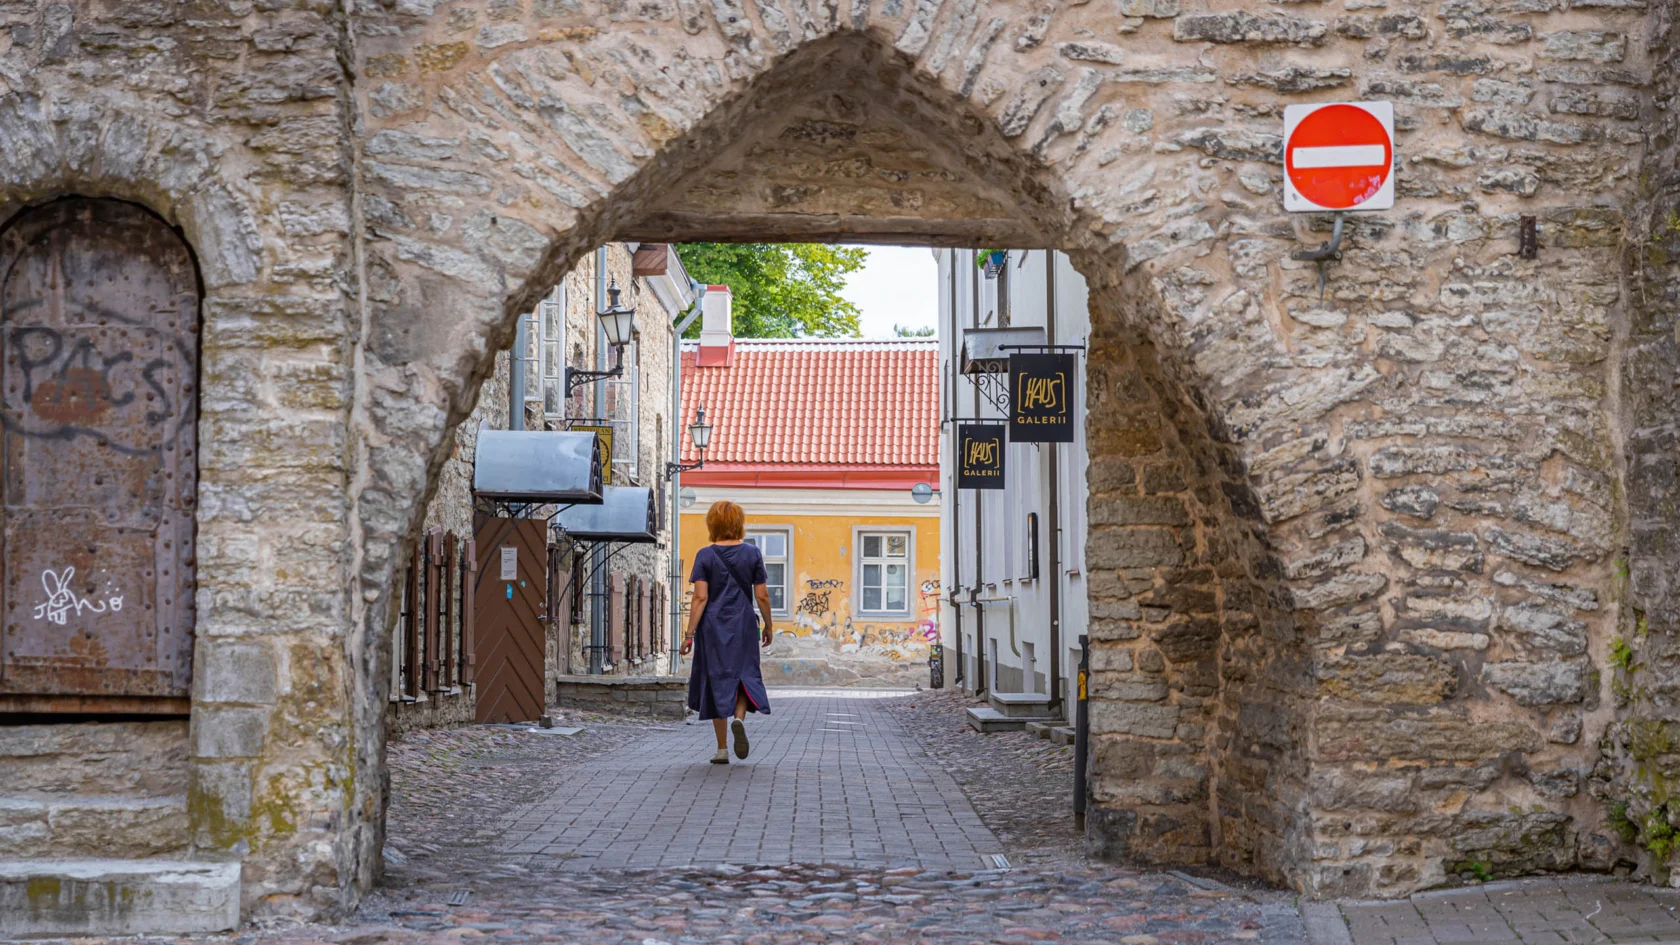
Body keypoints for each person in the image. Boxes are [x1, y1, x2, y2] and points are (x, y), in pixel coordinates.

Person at [680, 500, 774, 764]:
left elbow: (699, 598)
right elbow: (762, 595)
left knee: (715, 679)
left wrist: (689, 634)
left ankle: (721, 749)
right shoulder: (752, 553)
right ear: (738, 524)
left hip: (712, 627)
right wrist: (768, 625)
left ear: (713, 524)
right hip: (743, 624)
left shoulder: (705, 555)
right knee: (744, 674)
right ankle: (739, 719)